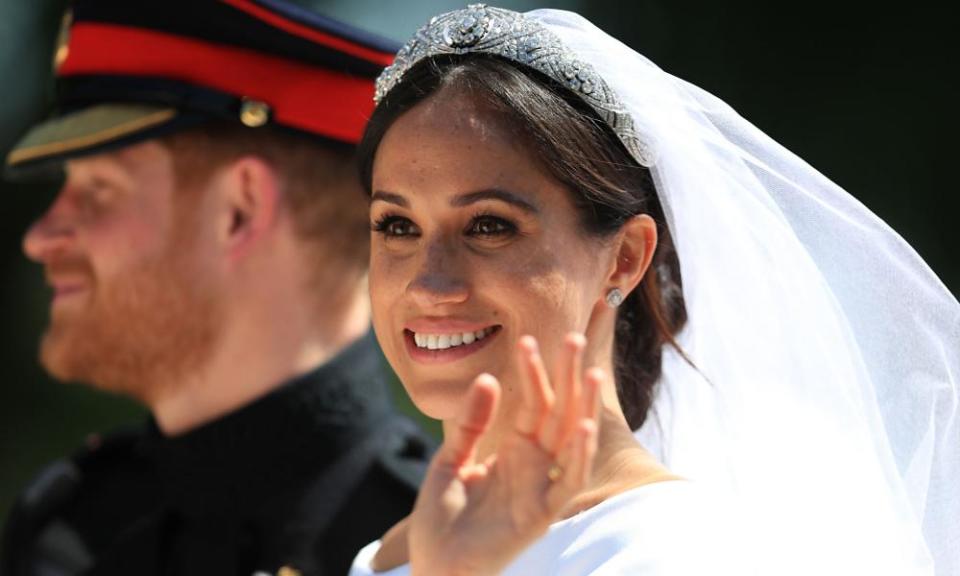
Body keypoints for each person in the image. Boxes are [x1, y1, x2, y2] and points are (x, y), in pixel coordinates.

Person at [347, 6, 960, 576]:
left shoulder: (677, 551)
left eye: (489, 226)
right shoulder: (392, 551)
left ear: (625, 258)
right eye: (397, 226)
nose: (430, 282)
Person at [0, 2, 433, 575]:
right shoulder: (69, 526)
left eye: (99, 189)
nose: (41, 236)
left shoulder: (445, 548)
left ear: (239, 210)